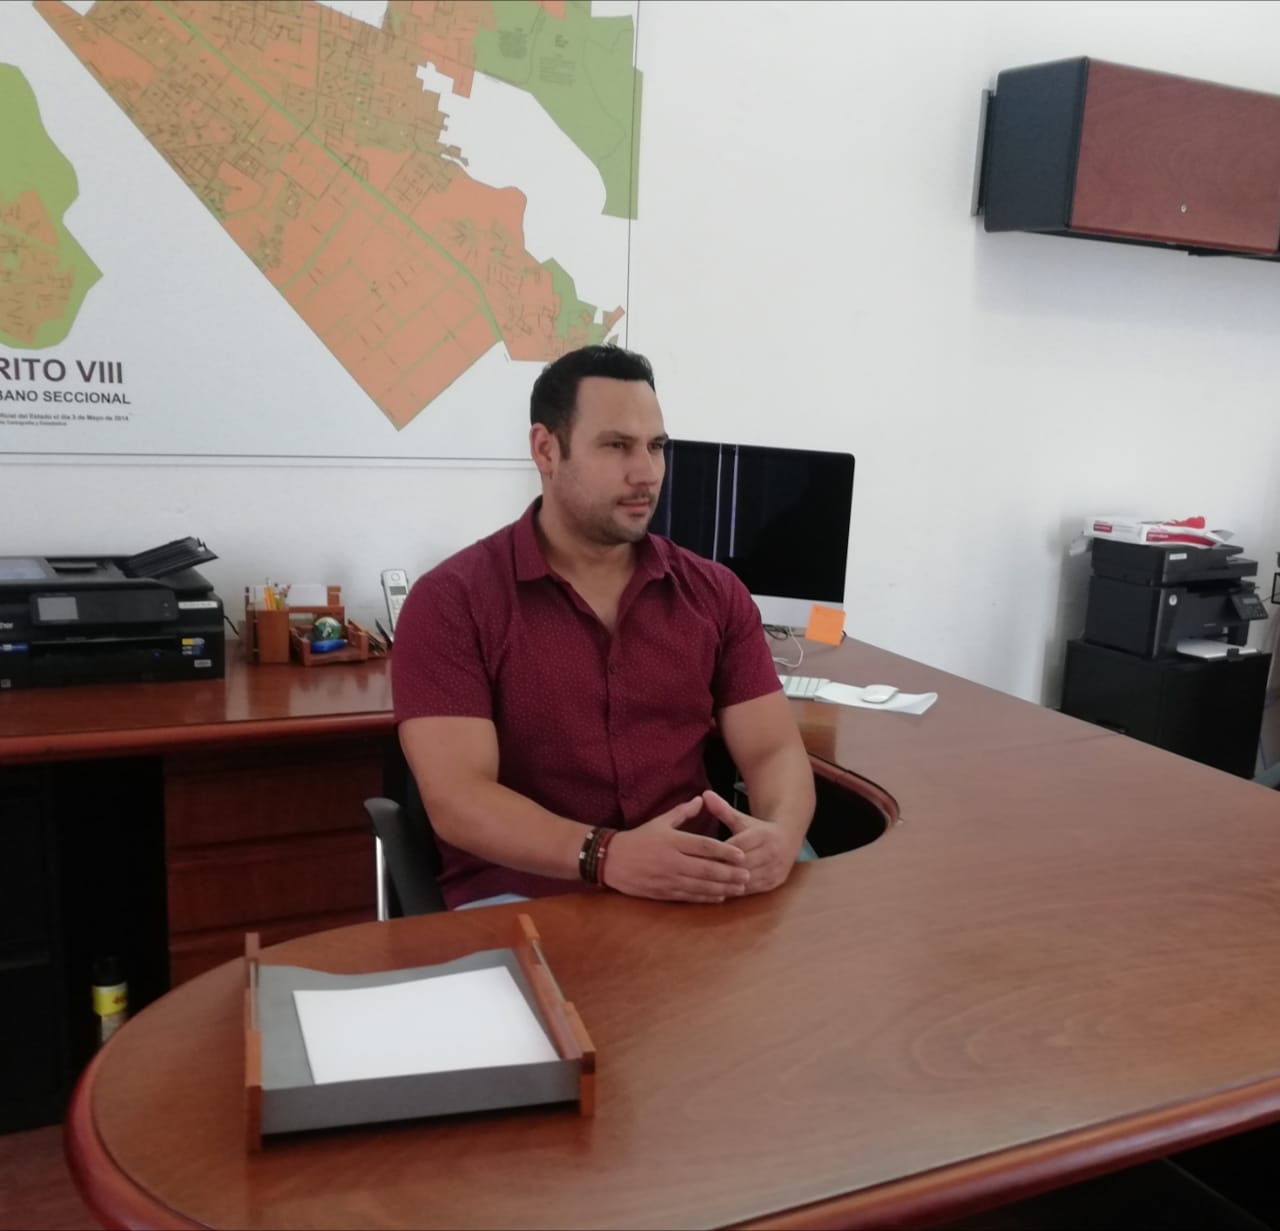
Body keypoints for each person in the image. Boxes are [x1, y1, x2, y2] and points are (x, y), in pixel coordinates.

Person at [392, 344, 815, 909]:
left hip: (696, 885)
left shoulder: (714, 594)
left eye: (656, 447)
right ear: (546, 449)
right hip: (529, 895)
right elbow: (460, 799)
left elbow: (773, 752)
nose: (646, 473)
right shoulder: (452, 601)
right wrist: (607, 855)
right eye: (617, 446)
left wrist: (779, 834)